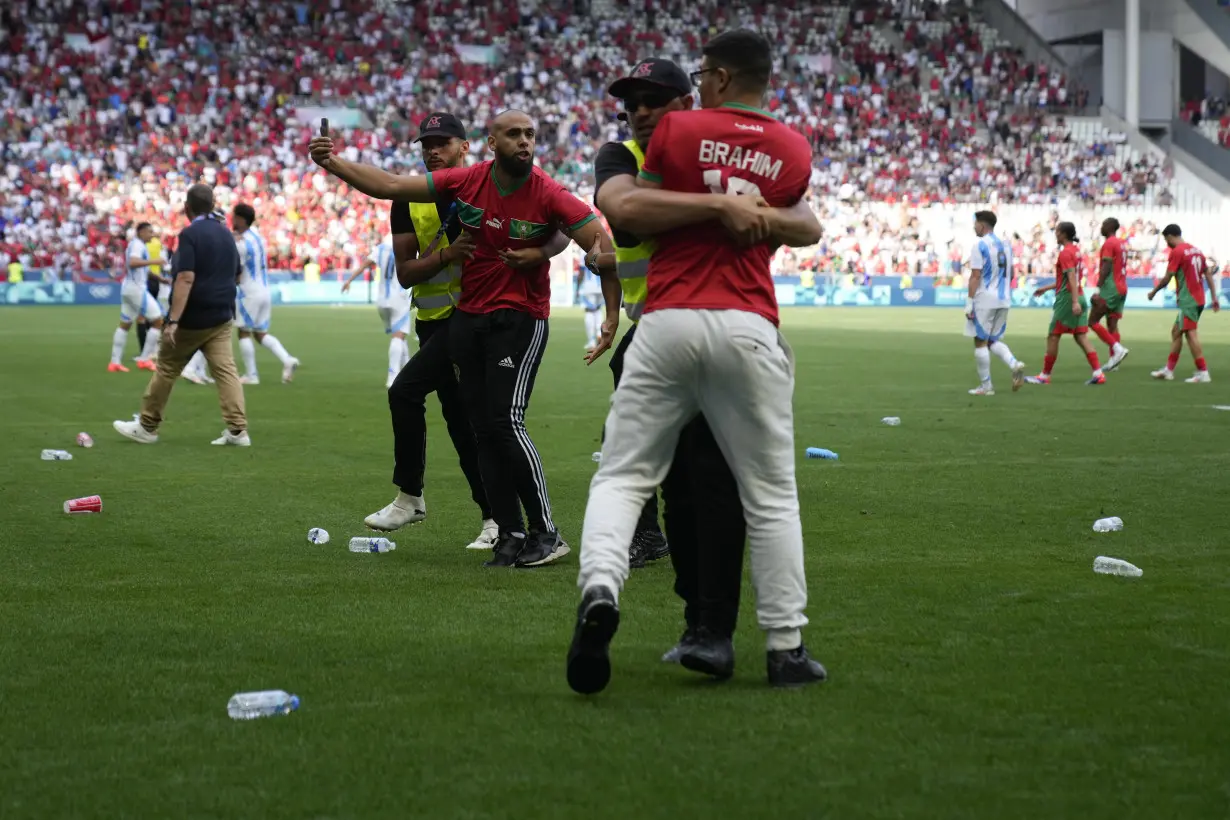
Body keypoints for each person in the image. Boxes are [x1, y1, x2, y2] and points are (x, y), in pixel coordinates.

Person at [566, 29, 828, 694]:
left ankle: (601, 587)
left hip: (669, 318)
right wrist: (742, 208)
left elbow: (628, 210)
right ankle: (785, 648)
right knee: (770, 496)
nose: (642, 111)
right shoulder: (793, 147)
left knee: (623, 477)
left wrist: (722, 203)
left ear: (709, 78)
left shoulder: (675, 135)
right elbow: (808, 224)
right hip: (748, 321)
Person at [310, 110, 623, 568]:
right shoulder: (468, 181)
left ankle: (547, 533)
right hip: (467, 320)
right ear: (492, 143)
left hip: (519, 321)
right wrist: (333, 164)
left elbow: (602, 247)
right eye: (513, 134)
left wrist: (611, 316)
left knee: (503, 423)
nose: (524, 142)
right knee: (478, 427)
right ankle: (509, 532)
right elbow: (391, 186)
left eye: (530, 135)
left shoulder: (549, 192)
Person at [591, 56, 749, 671]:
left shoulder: (727, 152)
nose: (640, 109)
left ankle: (753, 631)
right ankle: (695, 613)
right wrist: (716, 207)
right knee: (673, 477)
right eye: (632, 100)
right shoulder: (620, 156)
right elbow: (626, 220)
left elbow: (782, 219)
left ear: (690, 102)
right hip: (655, 329)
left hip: (724, 327)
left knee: (716, 482)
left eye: (656, 97)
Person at [361, 112, 571, 551]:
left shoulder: (491, 184)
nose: (432, 150)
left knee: (465, 420)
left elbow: (561, 224)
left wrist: (538, 252)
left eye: (442, 142)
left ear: (467, 147)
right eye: (425, 144)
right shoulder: (413, 198)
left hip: (483, 320)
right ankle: (497, 520)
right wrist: (447, 255)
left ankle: (438, 503)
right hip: (437, 324)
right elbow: (405, 275)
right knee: (467, 422)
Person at [112, 184, 249, 446]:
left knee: (166, 367)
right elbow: (238, 273)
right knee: (226, 371)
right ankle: (238, 430)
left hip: (193, 317)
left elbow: (185, 278)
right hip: (222, 315)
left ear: (186, 208)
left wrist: (173, 320)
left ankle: (147, 426)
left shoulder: (189, 234)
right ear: (212, 205)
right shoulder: (226, 234)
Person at [1025, 222, 1106, 386]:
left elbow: (1071, 278)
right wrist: (1046, 288)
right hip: (1079, 295)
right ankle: (1098, 373)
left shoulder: (1065, 253)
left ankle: (1045, 376)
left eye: (1057, 232)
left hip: (1068, 299)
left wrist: (1074, 302)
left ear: (1062, 234)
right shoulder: (1076, 252)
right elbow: (1068, 278)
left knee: (1053, 335)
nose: (1055, 235)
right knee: (1081, 336)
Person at [964, 210, 1026, 396]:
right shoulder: (1006, 245)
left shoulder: (979, 245)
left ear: (982, 225)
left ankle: (986, 387)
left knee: (980, 341)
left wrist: (969, 302)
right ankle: (1014, 363)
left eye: (975, 223)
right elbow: (1013, 273)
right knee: (992, 340)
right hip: (1004, 298)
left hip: (985, 299)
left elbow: (975, 276)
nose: (974, 227)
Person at [1148, 224, 1220, 382]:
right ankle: (1168, 370)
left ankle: (1203, 372)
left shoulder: (1177, 252)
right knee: (1176, 331)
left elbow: (1168, 277)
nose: (1167, 243)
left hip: (1189, 299)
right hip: (1199, 298)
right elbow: (1207, 274)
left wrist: (1153, 292)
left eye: (1167, 240)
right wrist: (1214, 297)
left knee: (1190, 333)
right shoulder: (1196, 251)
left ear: (1172, 236)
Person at [341, 235, 413, 387]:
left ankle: (408, 369)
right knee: (398, 336)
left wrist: (349, 280)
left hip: (381, 300)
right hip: (398, 297)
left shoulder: (380, 248)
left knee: (399, 336)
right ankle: (393, 376)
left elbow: (364, 265)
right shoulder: (407, 246)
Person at [109, 222, 165, 373]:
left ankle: (115, 362)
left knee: (125, 324)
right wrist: (155, 261)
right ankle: (145, 359)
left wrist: (161, 279)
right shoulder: (138, 245)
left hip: (128, 288)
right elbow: (133, 263)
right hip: (136, 290)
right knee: (158, 320)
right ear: (141, 233)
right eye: (149, 232)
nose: (151, 234)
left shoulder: (137, 245)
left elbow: (142, 269)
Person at [1089, 217, 1131, 371]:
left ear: (1109, 227)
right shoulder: (1121, 243)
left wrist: (1097, 289)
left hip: (1110, 288)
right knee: (1112, 325)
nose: (1101, 227)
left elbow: (1106, 266)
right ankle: (1114, 362)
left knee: (1092, 321)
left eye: (1103, 224)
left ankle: (1118, 349)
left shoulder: (1109, 243)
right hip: (1122, 287)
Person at [135, 227, 167, 357]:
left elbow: (138, 264)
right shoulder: (159, 244)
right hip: (156, 281)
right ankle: (153, 349)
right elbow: (164, 262)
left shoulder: (141, 246)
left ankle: (145, 352)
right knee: (153, 315)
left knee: (142, 317)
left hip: (145, 280)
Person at [577, 261, 604, 352]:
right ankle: (599, 333)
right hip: (601, 285)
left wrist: (578, 287)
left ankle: (591, 341)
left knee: (589, 311)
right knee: (598, 310)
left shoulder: (584, 252)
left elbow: (581, 272)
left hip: (589, 286)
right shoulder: (602, 247)